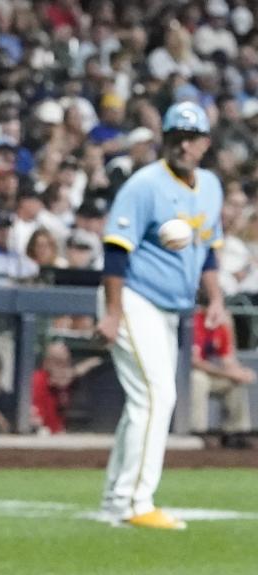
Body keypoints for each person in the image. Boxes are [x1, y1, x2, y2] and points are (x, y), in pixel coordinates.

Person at [96, 102, 226, 531]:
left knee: (145, 401)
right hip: (134, 298)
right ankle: (134, 502)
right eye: (175, 136)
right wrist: (113, 313)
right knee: (157, 397)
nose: (183, 144)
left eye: (191, 137)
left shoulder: (210, 186)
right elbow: (116, 249)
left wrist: (217, 300)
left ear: (205, 143)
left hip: (172, 307)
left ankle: (119, 495)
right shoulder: (144, 184)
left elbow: (209, 250)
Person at [190, 307, 255, 448]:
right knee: (198, 379)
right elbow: (194, 362)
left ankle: (235, 432)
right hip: (187, 375)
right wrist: (229, 373)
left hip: (213, 374)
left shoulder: (220, 326)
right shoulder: (195, 321)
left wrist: (239, 372)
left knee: (235, 382)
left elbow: (227, 359)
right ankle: (198, 432)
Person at [32, 341, 103, 434]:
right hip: (41, 434)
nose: (63, 367)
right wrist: (83, 367)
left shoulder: (66, 381)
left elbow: (67, 377)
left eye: (66, 362)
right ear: (46, 363)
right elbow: (63, 378)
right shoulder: (38, 379)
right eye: (58, 362)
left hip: (59, 434)